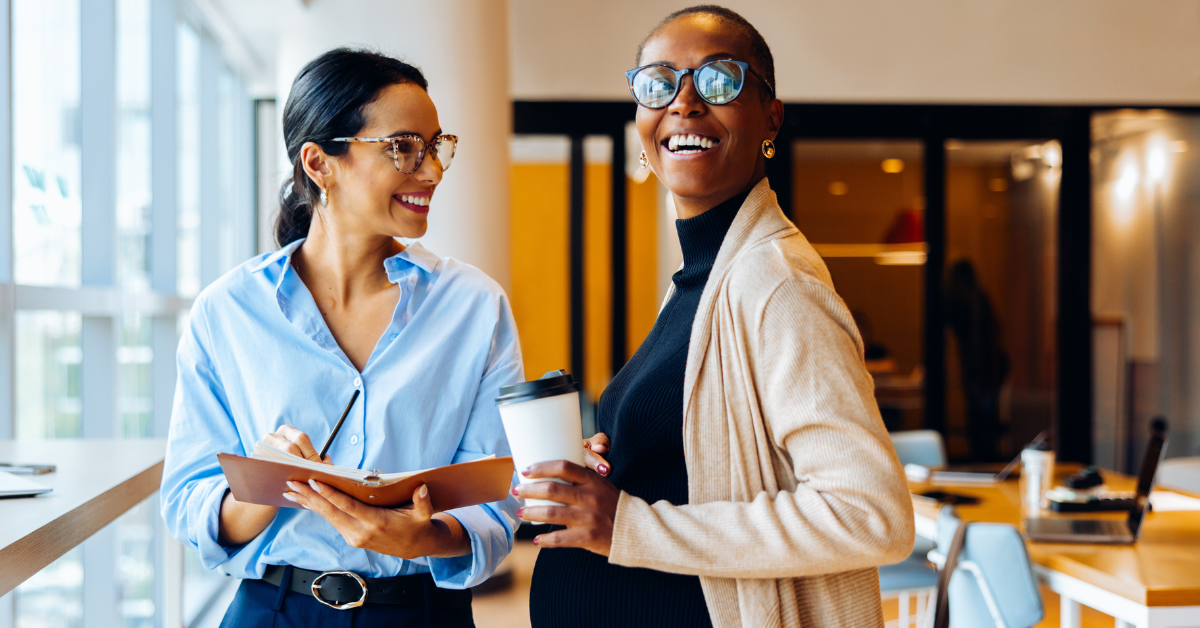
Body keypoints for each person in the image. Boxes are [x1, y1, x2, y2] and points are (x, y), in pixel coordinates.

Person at [519, 6, 914, 627]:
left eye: (719, 80)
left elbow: (869, 513)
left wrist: (630, 522)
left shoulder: (776, 283)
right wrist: (618, 459)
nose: (684, 102)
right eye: (658, 83)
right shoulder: (701, 281)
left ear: (770, 118)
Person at [160, 48, 522, 628]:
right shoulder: (228, 311)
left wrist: (424, 537)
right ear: (319, 162)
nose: (431, 171)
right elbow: (186, 501)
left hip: (420, 614)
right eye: (404, 147)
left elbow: (498, 499)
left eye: (436, 146)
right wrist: (263, 485)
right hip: (271, 611)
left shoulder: (474, 306)